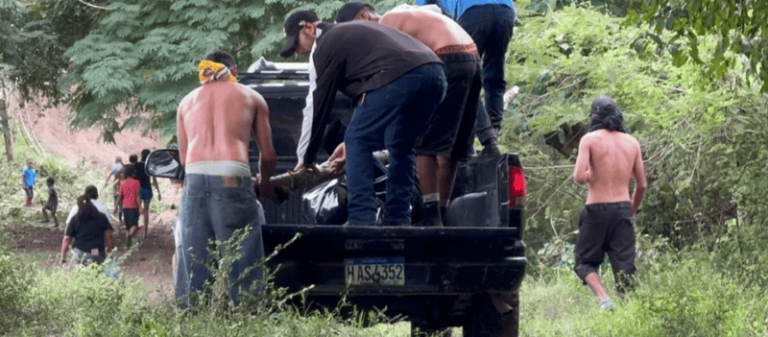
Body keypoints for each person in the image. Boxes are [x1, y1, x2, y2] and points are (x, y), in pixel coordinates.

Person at [281, 10, 446, 226]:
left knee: (358, 140)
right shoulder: (354, 35)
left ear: (309, 28)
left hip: (400, 74)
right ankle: (399, 218)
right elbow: (370, 99)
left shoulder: (324, 46)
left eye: (296, 43)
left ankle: (362, 218)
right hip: (436, 75)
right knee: (400, 145)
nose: (298, 51)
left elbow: (316, 105)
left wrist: (306, 159)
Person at [335, 1, 482, 226]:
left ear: (364, 18)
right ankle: (439, 214)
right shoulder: (408, 16)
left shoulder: (384, 25)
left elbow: (392, 85)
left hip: (445, 56)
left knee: (421, 141)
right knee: (448, 147)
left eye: (353, 30)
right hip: (471, 55)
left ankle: (432, 216)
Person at [175, 50, 277, 306]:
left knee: (194, 253)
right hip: (233, 175)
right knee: (243, 253)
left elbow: (185, 160)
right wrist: (264, 182)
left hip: (195, 177)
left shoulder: (186, 102)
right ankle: (248, 313)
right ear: (234, 71)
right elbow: (268, 156)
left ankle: (190, 315)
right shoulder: (251, 96)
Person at [572, 96, 646, 310]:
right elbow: (641, 185)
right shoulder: (632, 142)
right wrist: (631, 211)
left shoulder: (589, 139)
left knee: (585, 263)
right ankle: (627, 312)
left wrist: (592, 174)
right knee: (624, 267)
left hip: (596, 209)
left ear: (594, 115)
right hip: (623, 209)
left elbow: (578, 176)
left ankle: (605, 300)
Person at [416, 0, 516, 155]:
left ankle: (488, 138)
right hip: (506, 12)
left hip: (473, 13)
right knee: (494, 75)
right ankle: (494, 132)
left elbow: (421, 12)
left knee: (467, 79)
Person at [60, 194, 115, 265]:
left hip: (80, 251)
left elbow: (67, 239)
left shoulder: (75, 219)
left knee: (79, 272)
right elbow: (109, 235)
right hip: (96, 251)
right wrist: (110, 250)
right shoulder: (102, 218)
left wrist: (63, 256)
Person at [130, 151, 160, 236]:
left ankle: (134, 228)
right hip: (147, 189)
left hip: (138, 189)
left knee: (137, 209)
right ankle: (145, 232)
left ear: (141, 155)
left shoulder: (136, 164)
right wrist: (158, 192)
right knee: (146, 211)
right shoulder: (150, 165)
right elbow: (154, 180)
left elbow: (132, 176)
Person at [118, 164, 142, 248]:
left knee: (128, 226)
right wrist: (140, 207)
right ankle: (129, 236)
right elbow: (137, 196)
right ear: (133, 173)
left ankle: (128, 243)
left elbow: (120, 195)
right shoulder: (136, 182)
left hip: (125, 206)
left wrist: (117, 206)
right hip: (134, 206)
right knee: (134, 225)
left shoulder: (122, 183)